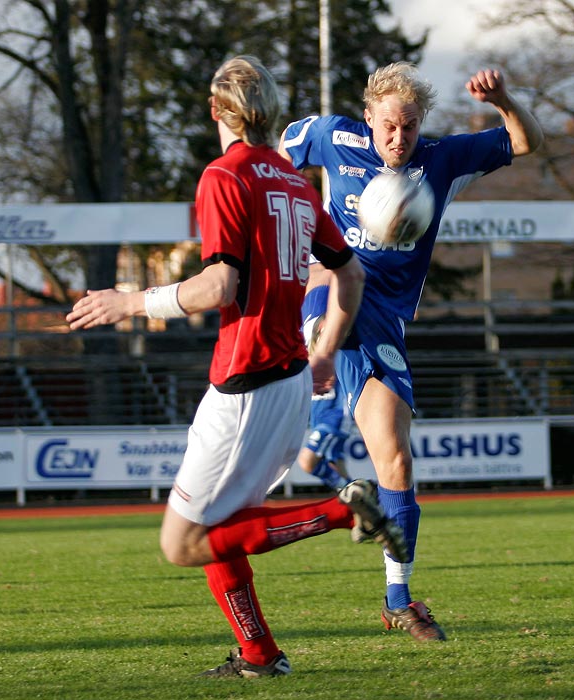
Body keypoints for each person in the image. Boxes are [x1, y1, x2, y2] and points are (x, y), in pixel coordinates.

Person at [66, 55, 408, 679]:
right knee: (219, 525)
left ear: (216, 111)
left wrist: (129, 302)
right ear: (270, 110)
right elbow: (349, 271)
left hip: (247, 381)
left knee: (181, 543)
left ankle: (344, 509)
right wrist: (326, 348)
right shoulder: (294, 181)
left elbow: (218, 285)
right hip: (290, 381)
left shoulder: (226, 175)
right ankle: (259, 655)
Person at [279, 63, 543, 642]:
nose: (400, 139)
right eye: (390, 126)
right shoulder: (332, 135)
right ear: (368, 118)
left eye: (411, 127)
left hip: (387, 322)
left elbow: (526, 141)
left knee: (396, 461)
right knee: (328, 288)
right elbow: (280, 156)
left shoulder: (442, 159)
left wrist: (503, 100)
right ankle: (316, 368)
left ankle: (397, 599)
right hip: (331, 289)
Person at [296, 263, 352, 491]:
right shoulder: (302, 332)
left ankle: (349, 492)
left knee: (307, 462)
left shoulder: (325, 294)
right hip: (318, 411)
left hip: (336, 413)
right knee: (337, 466)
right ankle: (359, 500)